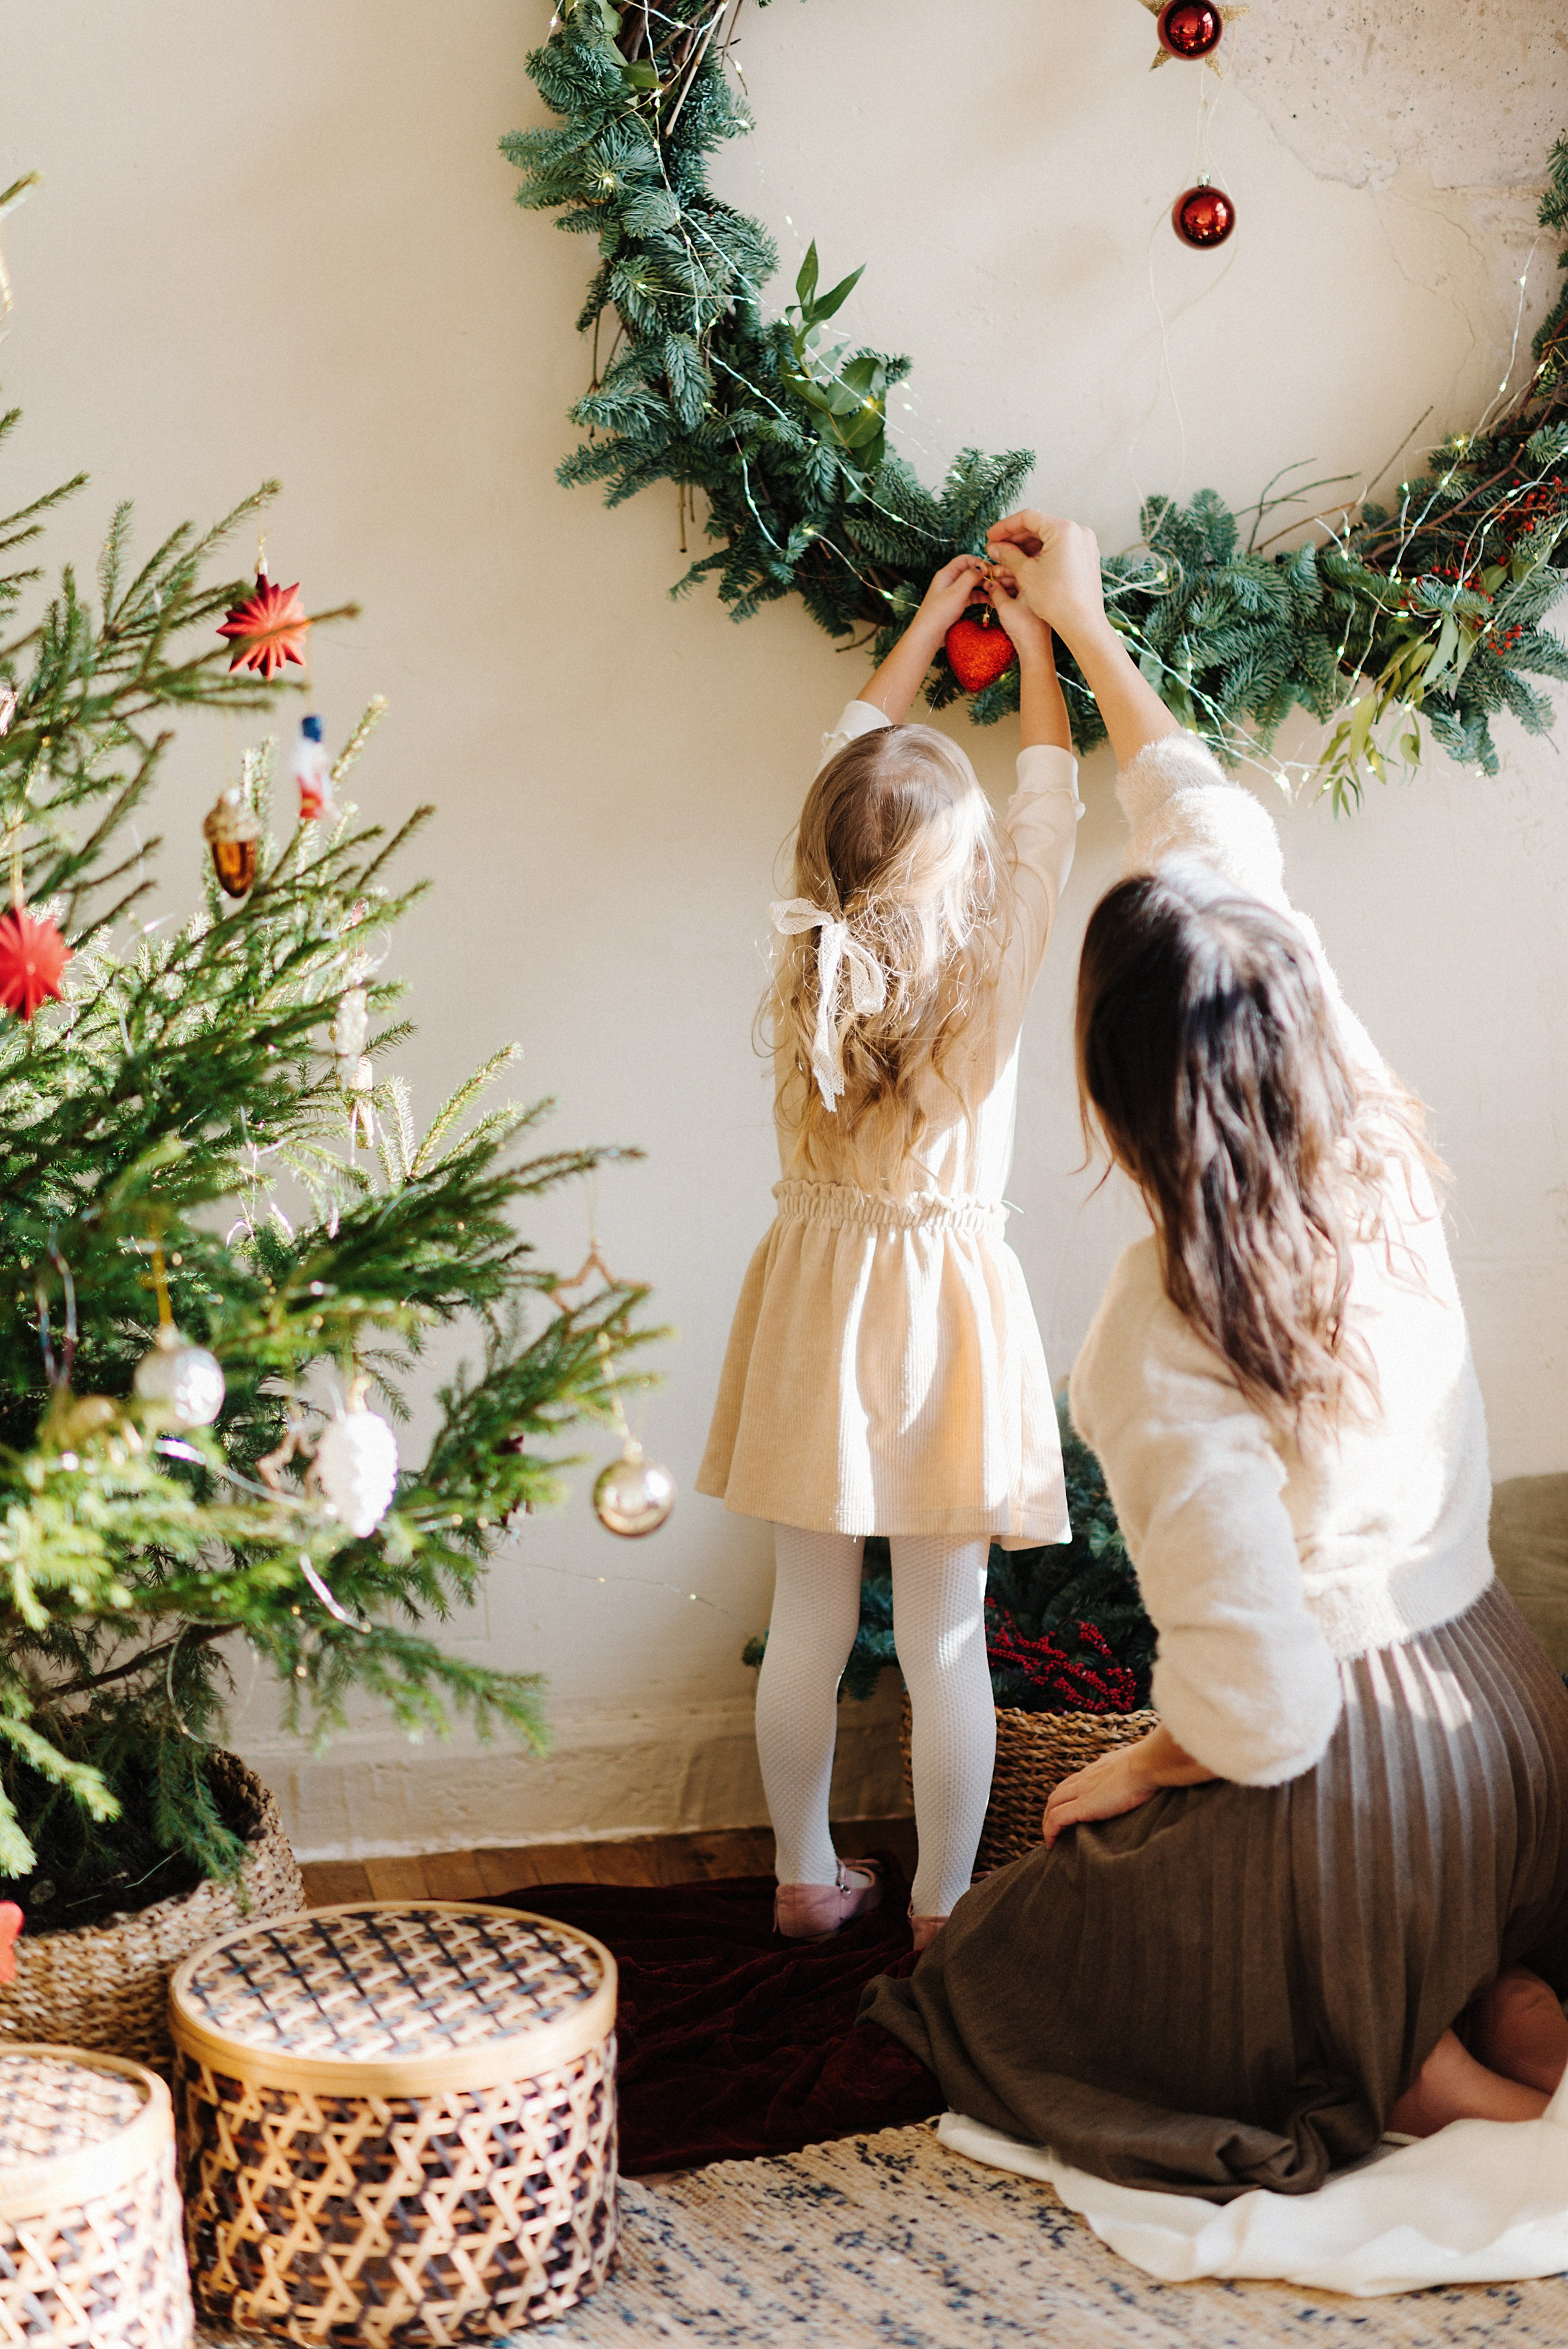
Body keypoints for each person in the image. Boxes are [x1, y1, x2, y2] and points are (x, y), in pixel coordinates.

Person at [863, 511, 1568, 2193]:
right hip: (1512, 1727)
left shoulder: (1163, 1324)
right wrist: (1091, 636)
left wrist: (1122, 1764)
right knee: (1374, 1915)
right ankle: (1480, 2000)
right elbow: (1217, 833)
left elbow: (1259, 1709)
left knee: (1013, 1956)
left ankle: (1410, 2064)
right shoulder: (1365, 1117)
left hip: (1359, 1781)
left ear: (1119, 1099)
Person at [698, 556, 1084, 1949]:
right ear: (965, 875)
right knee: (942, 1638)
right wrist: (1032, 650)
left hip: (815, 1290)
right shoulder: (999, 959)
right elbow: (1048, 809)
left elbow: (847, 762)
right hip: (943, 1317)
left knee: (807, 1615)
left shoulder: (805, 948)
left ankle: (803, 1876)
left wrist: (927, 624)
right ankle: (937, 1909)